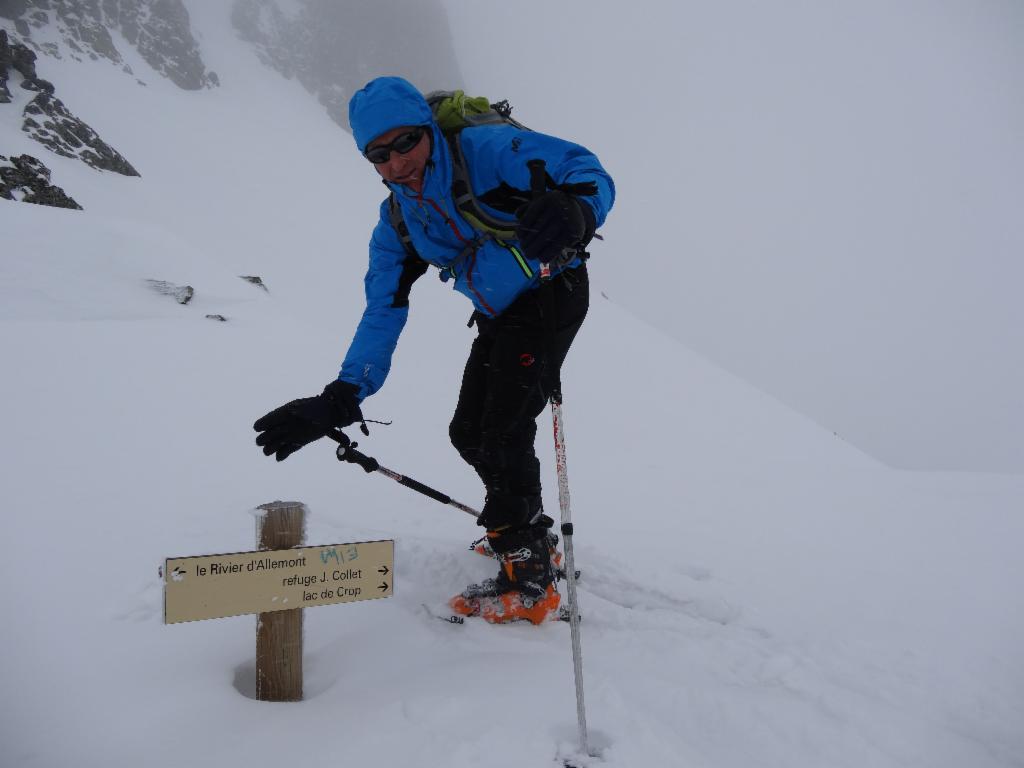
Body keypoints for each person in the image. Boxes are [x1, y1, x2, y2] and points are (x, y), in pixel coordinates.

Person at [254, 76, 614, 624]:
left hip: (552, 286)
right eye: (380, 153)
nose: (397, 162)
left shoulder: (486, 152)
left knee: (501, 431)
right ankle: (527, 532)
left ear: (429, 132)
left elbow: (585, 169)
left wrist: (577, 211)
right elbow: (383, 310)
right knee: (468, 432)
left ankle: (530, 574)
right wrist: (345, 393)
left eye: (406, 142)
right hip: (500, 311)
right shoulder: (398, 222)